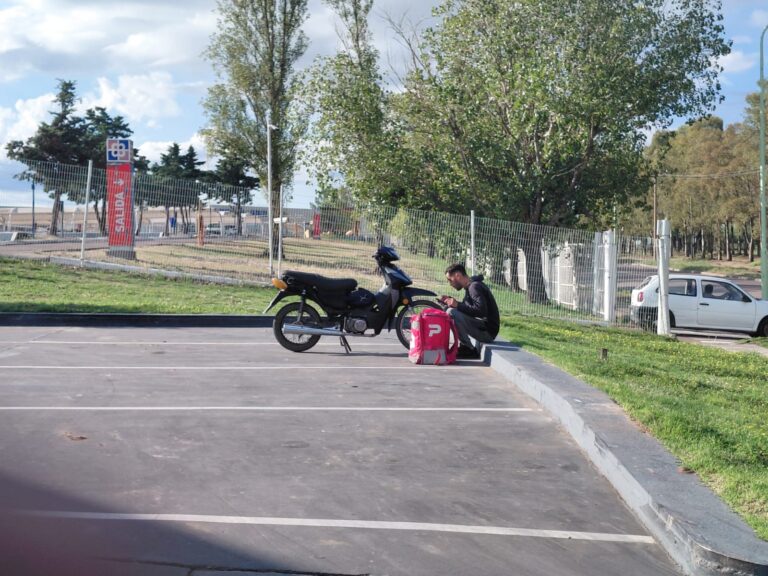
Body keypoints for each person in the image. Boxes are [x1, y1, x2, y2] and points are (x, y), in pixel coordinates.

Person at [439, 263, 500, 359]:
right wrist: (451, 302)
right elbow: (467, 309)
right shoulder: (470, 287)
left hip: (487, 332)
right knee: (451, 310)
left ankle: (469, 348)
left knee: (452, 313)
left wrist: (457, 305)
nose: (450, 284)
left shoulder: (474, 287)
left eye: (450, 280)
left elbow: (481, 311)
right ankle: (465, 347)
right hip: (483, 327)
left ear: (457, 276)